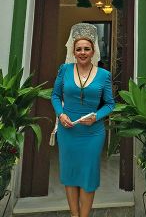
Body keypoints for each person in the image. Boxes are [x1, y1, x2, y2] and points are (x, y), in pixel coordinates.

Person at [51, 23, 115, 217]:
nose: (82, 52)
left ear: (93, 50)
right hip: (67, 130)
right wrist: (60, 114)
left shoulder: (104, 75)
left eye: (86, 48)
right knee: (70, 174)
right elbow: (54, 96)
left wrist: (97, 116)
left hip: (93, 133)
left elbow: (110, 104)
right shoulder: (64, 70)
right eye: (78, 49)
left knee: (88, 174)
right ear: (73, 50)